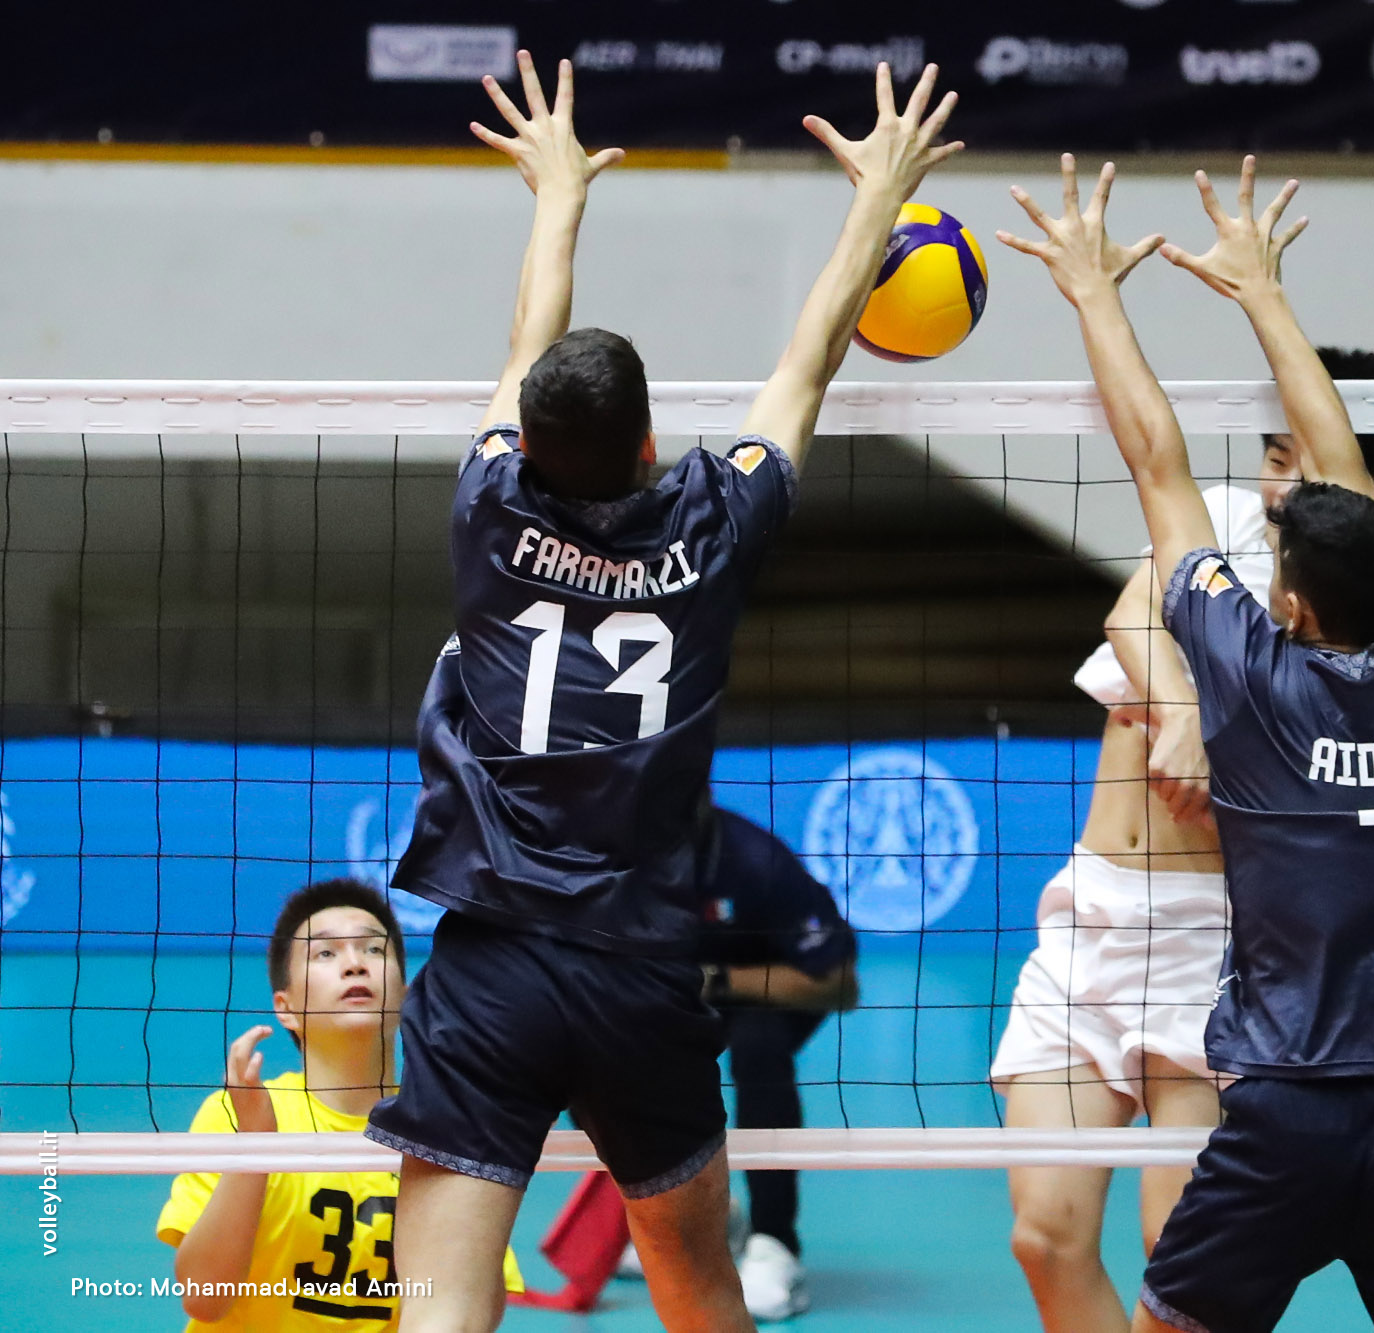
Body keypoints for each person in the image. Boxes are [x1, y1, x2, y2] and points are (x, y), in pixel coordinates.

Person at [360, 51, 960, 1333]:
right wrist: (877, 199)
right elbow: (806, 366)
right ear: (648, 443)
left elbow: (527, 344)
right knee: (697, 1291)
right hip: (640, 972)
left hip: (489, 970)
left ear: (525, 446)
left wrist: (558, 196)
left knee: (439, 1312)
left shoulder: (487, 506)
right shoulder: (713, 527)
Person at [1001, 152, 1374, 1333]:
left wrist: (1094, 293)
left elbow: (1153, 459)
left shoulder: (1247, 677)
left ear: (1282, 601)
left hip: (1283, 1094)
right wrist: (1265, 296)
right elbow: (1336, 483)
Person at [992, 345, 1374, 1332]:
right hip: (1090, 916)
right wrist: (1184, 710)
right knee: (1042, 1236)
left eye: (1308, 462)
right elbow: (1133, 615)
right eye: (1273, 455)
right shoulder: (1219, 519)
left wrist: (1213, 734)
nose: (1281, 486)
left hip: (1216, 948)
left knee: (1176, 1260)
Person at [158, 880, 522, 1330]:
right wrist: (254, 1148)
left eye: (373, 949)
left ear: (406, 995)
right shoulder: (238, 1113)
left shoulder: (447, 1131)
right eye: (325, 953)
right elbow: (203, 1298)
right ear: (286, 1008)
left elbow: (476, 1312)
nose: (354, 964)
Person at [617, 809, 861, 1320]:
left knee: (759, 1048)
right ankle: (702, 1217)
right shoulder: (619, 854)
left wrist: (716, 980)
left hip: (764, 993)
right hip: (677, 992)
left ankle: (775, 1244)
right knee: (597, 1040)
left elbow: (840, 984)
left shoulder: (758, 862)